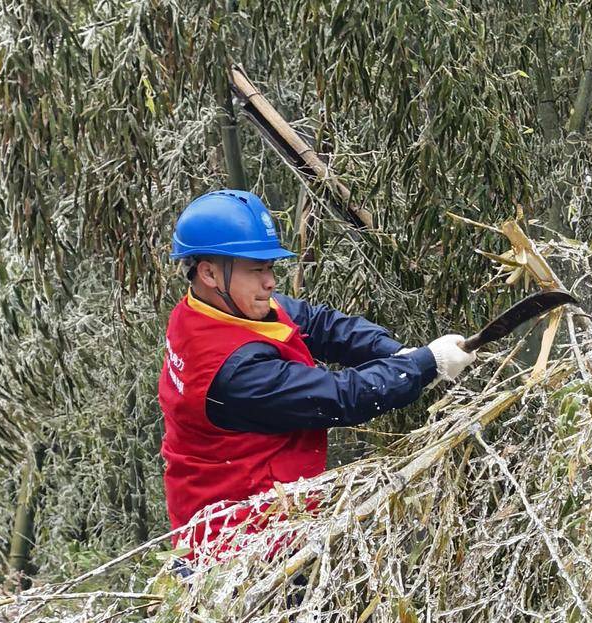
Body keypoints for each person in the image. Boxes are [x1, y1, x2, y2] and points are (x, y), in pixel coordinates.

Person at [157, 190, 476, 555]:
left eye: (271, 268)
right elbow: (340, 396)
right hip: (241, 547)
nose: (270, 282)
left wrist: (395, 353)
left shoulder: (210, 310)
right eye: (256, 270)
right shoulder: (234, 373)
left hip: (263, 518)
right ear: (210, 273)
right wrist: (422, 366)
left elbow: (320, 324)